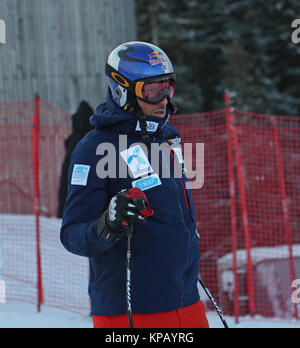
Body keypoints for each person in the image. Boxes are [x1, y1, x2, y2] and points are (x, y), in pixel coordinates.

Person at [60, 41, 209, 328]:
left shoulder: (168, 137)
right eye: (152, 90)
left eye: (167, 87)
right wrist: (108, 224)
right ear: (122, 90)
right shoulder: (94, 149)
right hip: (131, 311)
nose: (164, 99)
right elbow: (72, 234)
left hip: (186, 302)